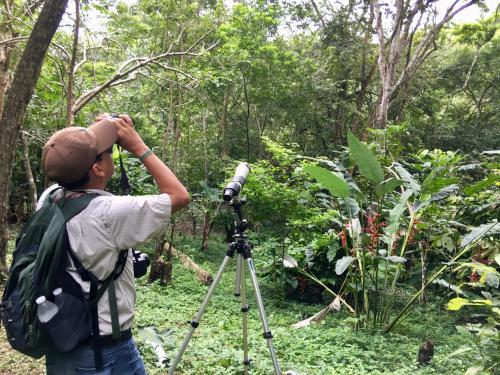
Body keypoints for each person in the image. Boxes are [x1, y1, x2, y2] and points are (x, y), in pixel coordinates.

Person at [39, 114, 190, 374]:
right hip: (104, 353)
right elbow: (179, 196)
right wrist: (138, 147)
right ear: (98, 169)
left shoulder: (49, 199)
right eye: (108, 152)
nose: (111, 155)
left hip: (62, 342)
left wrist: (91, 136)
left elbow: (69, 159)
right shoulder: (108, 214)